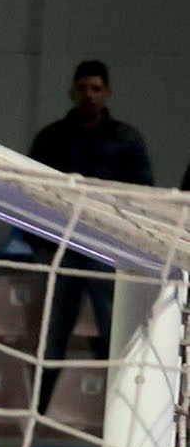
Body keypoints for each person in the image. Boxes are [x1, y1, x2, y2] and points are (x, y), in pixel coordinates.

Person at [33, 62, 153, 361]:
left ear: (107, 93)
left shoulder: (126, 139)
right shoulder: (51, 138)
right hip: (62, 245)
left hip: (108, 247)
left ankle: (116, 385)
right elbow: (31, 190)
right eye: (83, 88)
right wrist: (41, 244)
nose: (89, 95)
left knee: (114, 329)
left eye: (95, 89)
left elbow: (144, 194)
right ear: (72, 93)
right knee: (53, 333)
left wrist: (128, 240)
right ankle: (43, 389)